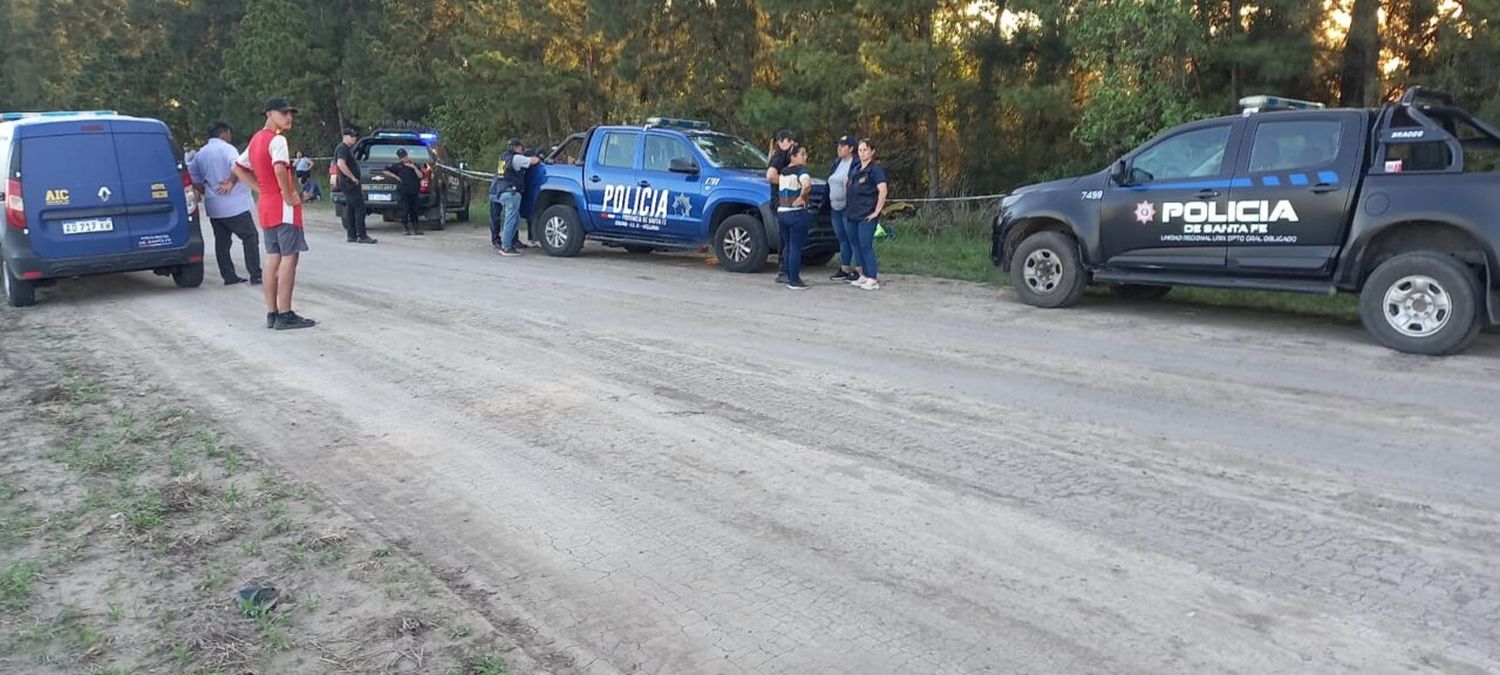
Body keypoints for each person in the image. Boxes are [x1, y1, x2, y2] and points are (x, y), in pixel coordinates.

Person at [232, 97, 315, 330]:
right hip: (282, 205)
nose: (288, 117)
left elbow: (237, 167)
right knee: (290, 256)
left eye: (290, 113)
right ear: (269, 114)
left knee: (272, 257)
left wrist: (260, 189)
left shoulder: (256, 139)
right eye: (283, 113)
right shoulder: (277, 140)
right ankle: (285, 313)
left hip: (266, 204)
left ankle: (272, 312)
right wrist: (288, 195)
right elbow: (279, 168)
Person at [188, 121, 261, 286]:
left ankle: (229, 275)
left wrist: (207, 190)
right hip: (234, 204)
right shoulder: (227, 149)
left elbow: (193, 177)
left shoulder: (201, 153)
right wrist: (231, 182)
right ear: (224, 133)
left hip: (214, 205)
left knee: (222, 242)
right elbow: (238, 166)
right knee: (250, 237)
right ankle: (255, 274)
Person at [846, 138, 888, 291]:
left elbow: (883, 190)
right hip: (853, 213)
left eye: (865, 150)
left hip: (867, 214)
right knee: (856, 244)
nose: (862, 153)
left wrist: (877, 210)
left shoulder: (875, 170)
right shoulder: (856, 169)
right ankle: (863, 274)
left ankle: (873, 277)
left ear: (872, 151)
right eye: (860, 150)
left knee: (865, 245)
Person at [491, 137, 541, 256]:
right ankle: (506, 248)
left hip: (502, 191)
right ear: (517, 148)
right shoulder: (517, 158)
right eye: (521, 148)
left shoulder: (503, 157)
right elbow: (534, 161)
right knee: (511, 220)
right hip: (511, 192)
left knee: (514, 219)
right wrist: (538, 157)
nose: (522, 150)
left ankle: (508, 244)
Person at [776, 144, 813, 290]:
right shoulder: (801, 171)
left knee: (788, 246)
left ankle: (788, 274)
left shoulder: (783, 172)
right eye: (802, 154)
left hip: (782, 212)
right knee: (796, 247)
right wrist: (803, 196)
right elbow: (807, 185)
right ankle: (794, 279)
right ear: (793, 156)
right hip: (796, 212)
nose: (805, 157)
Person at [333, 127, 376, 244]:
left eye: (355, 136)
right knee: (360, 209)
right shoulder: (343, 148)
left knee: (351, 209)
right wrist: (352, 177)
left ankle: (351, 235)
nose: (354, 139)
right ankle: (362, 235)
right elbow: (341, 164)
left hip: (348, 183)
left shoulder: (346, 149)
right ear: (346, 136)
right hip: (349, 183)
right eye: (352, 136)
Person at [765, 129, 796, 283]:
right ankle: (783, 270)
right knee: (784, 237)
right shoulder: (779, 157)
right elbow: (771, 175)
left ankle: (787, 269)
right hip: (780, 202)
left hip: (786, 202)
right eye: (789, 141)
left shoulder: (787, 157)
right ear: (781, 142)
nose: (792, 144)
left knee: (788, 236)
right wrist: (787, 183)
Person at [828, 135, 860, 281]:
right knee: (842, 238)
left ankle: (859, 269)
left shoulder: (856, 164)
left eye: (843, 145)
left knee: (853, 238)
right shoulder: (836, 163)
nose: (839, 148)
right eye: (838, 145)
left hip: (849, 207)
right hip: (835, 207)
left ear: (851, 148)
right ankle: (845, 267)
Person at [382, 148, 426, 236]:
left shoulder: (415, 165)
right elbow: (385, 170)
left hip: (413, 191)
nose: (404, 158)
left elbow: (420, 176)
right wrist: (395, 176)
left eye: (405, 156)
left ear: (407, 155)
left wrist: (413, 167)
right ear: (399, 158)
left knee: (414, 210)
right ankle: (405, 227)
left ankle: (416, 228)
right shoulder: (397, 166)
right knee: (404, 210)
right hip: (403, 191)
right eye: (402, 157)